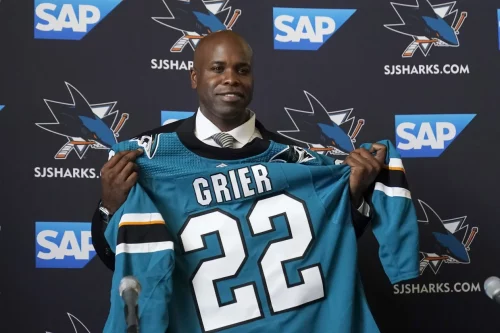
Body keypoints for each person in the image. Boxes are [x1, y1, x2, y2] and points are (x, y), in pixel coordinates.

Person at [91, 30, 387, 272]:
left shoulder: (294, 159)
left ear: (252, 80)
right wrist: (111, 208)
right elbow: (117, 261)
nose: (231, 79)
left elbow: (329, 246)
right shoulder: (148, 156)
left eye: (241, 70)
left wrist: (352, 195)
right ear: (195, 78)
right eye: (217, 68)